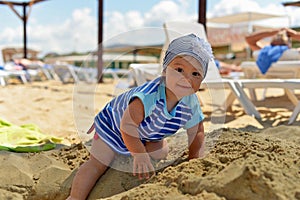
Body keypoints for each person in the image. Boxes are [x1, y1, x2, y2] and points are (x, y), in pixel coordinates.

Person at [67, 33, 214, 200]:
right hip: (113, 127)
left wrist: (194, 159)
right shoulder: (148, 97)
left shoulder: (191, 103)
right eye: (179, 69)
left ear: (202, 80)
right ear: (165, 70)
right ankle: (74, 197)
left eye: (196, 74)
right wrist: (139, 154)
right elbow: (127, 126)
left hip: (144, 131)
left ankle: (137, 146)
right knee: (98, 163)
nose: (186, 78)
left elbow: (197, 132)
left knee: (161, 152)